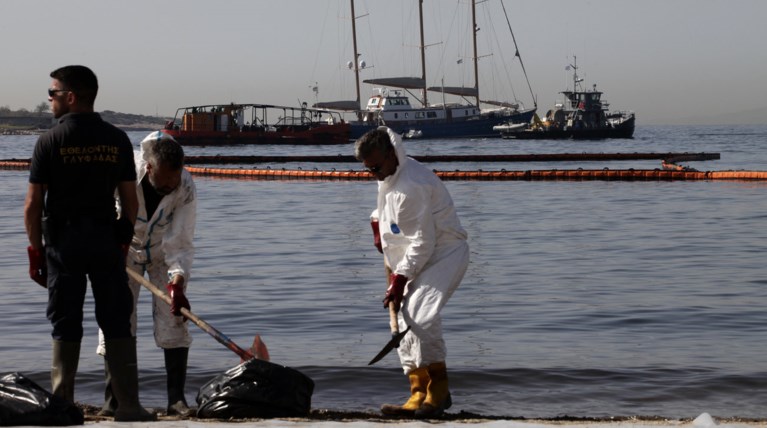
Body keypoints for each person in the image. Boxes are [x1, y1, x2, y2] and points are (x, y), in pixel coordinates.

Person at [23, 65, 156, 422]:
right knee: (115, 318)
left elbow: (33, 204)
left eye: (52, 94)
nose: (49, 100)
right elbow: (130, 201)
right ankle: (126, 405)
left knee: (65, 321)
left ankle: (62, 405)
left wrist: (35, 252)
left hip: (63, 244)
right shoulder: (115, 139)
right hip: (105, 241)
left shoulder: (50, 140)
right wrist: (122, 242)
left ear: (70, 96)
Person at [354, 127, 470, 418]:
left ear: (392, 154)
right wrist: (376, 227)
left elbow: (424, 241)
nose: (374, 175)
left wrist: (400, 279)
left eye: (377, 167)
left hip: (444, 253)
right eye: (368, 170)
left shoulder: (413, 185)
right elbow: (384, 208)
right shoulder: (389, 175)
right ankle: (418, 393)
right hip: (408, 256)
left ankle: (439, 389)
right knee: (403, 324)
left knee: (420, 314)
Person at [96, 131, 197, 417]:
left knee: (175, 319)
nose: (169, 187)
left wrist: (177, 283)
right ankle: (113, 398)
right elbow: (103, 211)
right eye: (163, 182)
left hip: (163, 252)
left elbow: (182, 239)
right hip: (123, 250)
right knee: (117, 319)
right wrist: (109, 248)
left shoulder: (185, 186)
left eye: (173, 181)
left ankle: (176, 401)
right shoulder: (124, 169)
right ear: (149, 168)